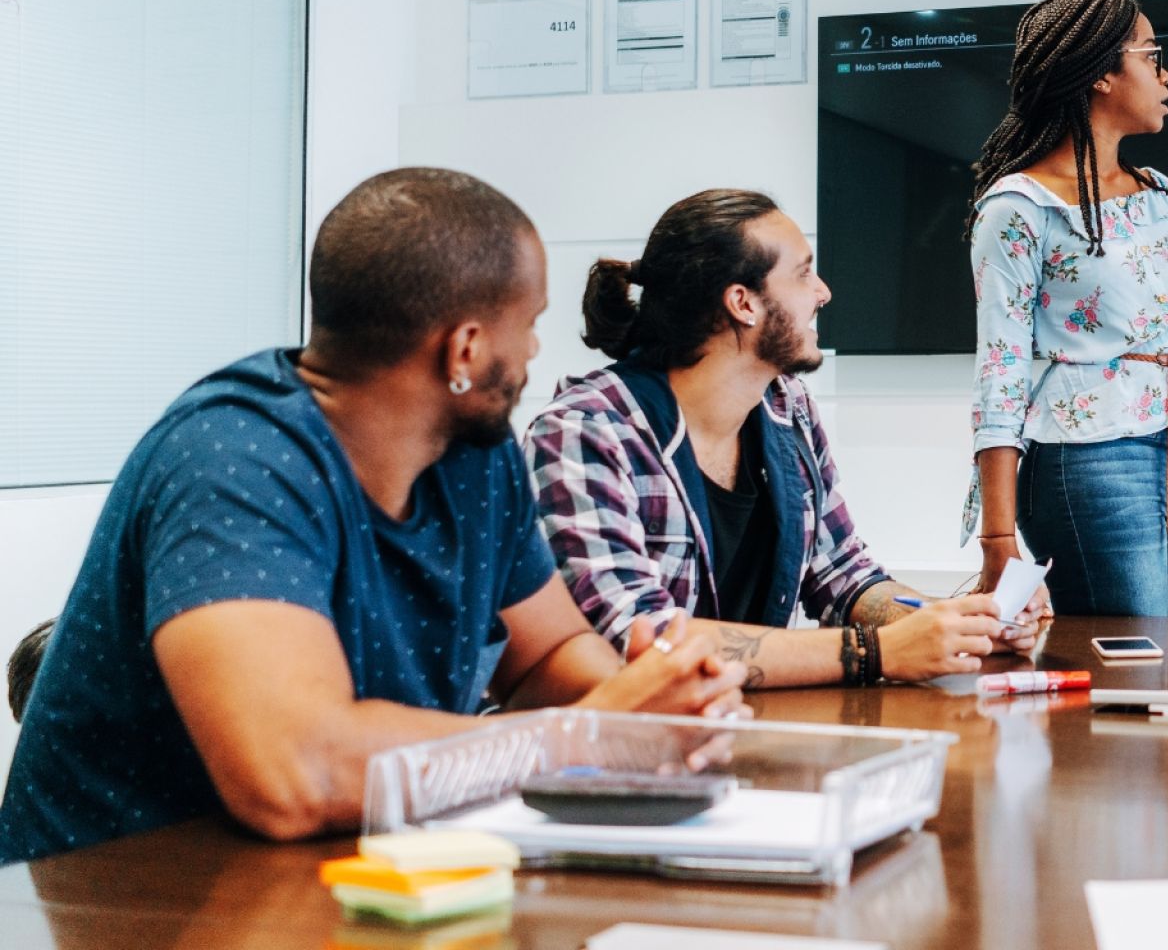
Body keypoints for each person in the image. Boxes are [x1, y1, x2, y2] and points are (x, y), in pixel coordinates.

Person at [0, 169, 747, 864]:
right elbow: (296, 775)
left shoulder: (474, 456)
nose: (534, 349)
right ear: (466, 347)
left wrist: (650, 700)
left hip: (327, 885)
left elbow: (546, 658)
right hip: (123, 905)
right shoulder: (232, 460)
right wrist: (590, 733)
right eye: (530, 322)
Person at [525, 190, 1025, 688]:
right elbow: (640, 639)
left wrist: (960, 626)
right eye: (804, 273)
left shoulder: (788, 407)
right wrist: (875, 652)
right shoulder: (585, 432)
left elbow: (842, 576)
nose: (823, 292)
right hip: (632, 749)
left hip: (745, 733)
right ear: (742, 303)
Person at [967, 0, 1168, 617]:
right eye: (1152, 56)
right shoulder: (1019, 208)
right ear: (1100, 73)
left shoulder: (1160, 196)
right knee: (1125, 674)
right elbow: (1000, 371)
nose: (1165, 74)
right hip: (1088, 459)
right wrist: (996, 537)